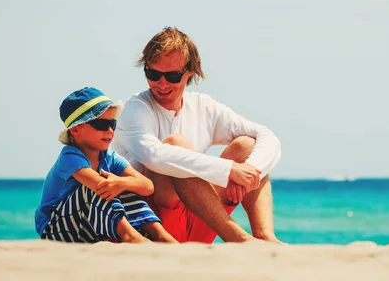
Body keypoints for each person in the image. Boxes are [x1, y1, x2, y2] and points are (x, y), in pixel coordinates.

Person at [112, 27, 282, 243]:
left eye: (172, 76)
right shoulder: (135, 109)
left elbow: (267, 137)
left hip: (201, 219)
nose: (162, 84)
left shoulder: (203, 107)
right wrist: (229, 170)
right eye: (153, 74)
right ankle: (239, 239)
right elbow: (153, 156)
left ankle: (266, 238)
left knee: (247, 147)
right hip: (156, 226)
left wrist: (250, 172)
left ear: (190, 72)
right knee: (175, 144)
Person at [35, 87, 178, 243]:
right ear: (76, 129)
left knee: (122, 186)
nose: (110, 130)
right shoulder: (69, 157)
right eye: (101, 125)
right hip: (57, 230)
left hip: (89, 227)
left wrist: (122, 183)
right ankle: (130, 236)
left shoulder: (109, 157)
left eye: (112, 124)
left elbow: (148, 186)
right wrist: (118, 183)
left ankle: (160, 236)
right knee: (103, 187)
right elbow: (99, 185)